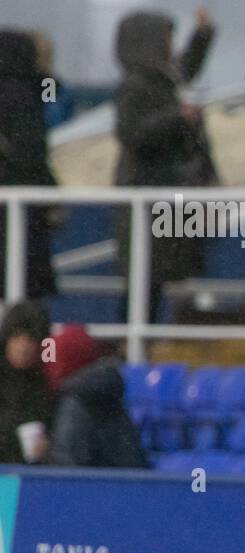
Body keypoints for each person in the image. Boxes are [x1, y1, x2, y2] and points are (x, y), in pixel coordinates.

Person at [112, 8, 217, 324]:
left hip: (163, 195)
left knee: (154, 277)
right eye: (167, 39)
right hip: (145, 194)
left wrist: (202, 35)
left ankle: (141, 340)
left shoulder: (161, 80)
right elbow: (130, 132)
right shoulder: (136, 87)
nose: (171, 47)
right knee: (143, 278)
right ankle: (132, 343)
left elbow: (186, 68)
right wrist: (178, 118)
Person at [0, 30, 59, 301]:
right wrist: (52, 195)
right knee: (24, 286)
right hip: (24, 216)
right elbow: (32, 156)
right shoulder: (24, 98)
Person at [43, 325, 148, 469]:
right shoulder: (106, 391)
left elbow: (67, 466)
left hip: (90, 487)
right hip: (120, 483)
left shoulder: (75, 401)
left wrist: (45, 455)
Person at [0, 301, 56, 465]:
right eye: (17, 337)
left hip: (28, 476)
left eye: (31, 340)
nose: (23, 347)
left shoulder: (43, 387)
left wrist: (48, 448)